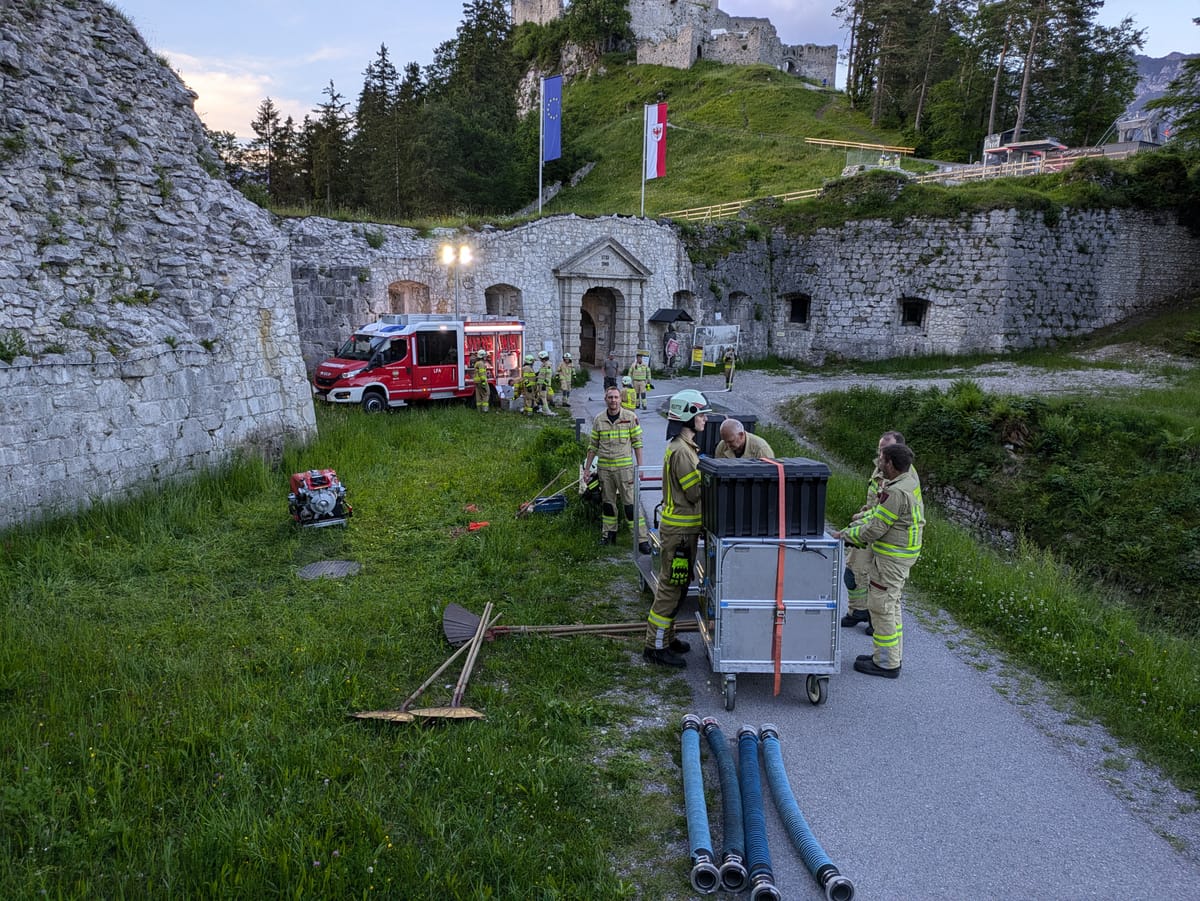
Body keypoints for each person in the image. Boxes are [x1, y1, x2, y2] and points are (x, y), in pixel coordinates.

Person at [833, 443, 924, 679]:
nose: (878, 463)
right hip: (901, 556)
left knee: (881, 608)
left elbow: (876, 528)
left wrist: (846, 536)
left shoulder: (895, 493)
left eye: (881, 459)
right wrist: (852, 527)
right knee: (891, 606)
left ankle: (886, 664)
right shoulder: (908, 481)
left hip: (892, 559)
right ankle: (889, 656)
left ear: (891, 464)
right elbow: (877, 515)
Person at [643, 389, 711, 667]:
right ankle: (655, 647)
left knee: (680, 586)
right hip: (680, 533)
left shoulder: (684, 447)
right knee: (671, 588)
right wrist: (711, 476)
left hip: (684, 531)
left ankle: (668, 638)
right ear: (689, 416)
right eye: (701, 414)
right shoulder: (682, 452)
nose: (705, 420)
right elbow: (694, 492)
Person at [841, 431, 905, 634]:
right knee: (852, 571)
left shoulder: (897, 476)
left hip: (881, 532)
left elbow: (884, 511)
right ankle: (857, 610)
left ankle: (874, 619)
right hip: (867, 524)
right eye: (879, 449)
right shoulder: (878, 468)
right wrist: (863, 511)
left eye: (884, 451)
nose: (880, 455)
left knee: (876, 581)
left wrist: (859, 522)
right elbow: (874, 502)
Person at [584, 385, 646, 549]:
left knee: (630, 505)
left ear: (620, 399)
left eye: (616, 397)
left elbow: (638, 443)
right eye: (610, 397)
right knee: (608, 505)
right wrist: (587, 469)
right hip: (605, 471)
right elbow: (593, 446)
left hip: (624, 471)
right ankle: (609, 536)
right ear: (605, 400)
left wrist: (640, 468)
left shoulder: (630, 417)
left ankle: (641, 540)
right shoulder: (599, 419)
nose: (613, 400)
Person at [471, 349, 491, 413]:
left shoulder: (477, 363)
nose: (486, 357)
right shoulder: (481, 364)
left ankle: (479, 410)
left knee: (478, 395)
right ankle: (485, 410)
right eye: (485, 356)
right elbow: (482, 373)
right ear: (483, 356)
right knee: (486, 394)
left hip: (477, 381)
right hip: (481, 381)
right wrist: (483, 382)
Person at [536, 350, 554, 415]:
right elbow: (541, 373)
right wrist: (536, 374)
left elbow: (548, 376)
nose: (540, 359)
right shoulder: (543, 365)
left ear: (543, 358)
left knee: (543, 397)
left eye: (540, 358)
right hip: (540, 384)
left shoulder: (548, 365)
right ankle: (539, 407)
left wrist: (544, 384)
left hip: (544, 385)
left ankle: (546, 411)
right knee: (539, 396)